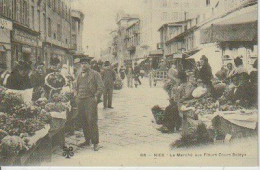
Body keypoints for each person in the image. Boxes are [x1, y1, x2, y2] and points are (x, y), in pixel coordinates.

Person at [76, 57, 104, 151]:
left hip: (90, 100)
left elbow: (101, 87)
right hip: (81, 100)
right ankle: (87, 140)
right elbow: (77, 87)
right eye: (82, 63)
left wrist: (96, 98)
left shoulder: (95, 74)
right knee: (83, 121)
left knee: (92, 121)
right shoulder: (79, 75)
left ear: (89, 65)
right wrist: (77, 96)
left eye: (85, 63)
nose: (83, 65)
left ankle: (95, 143)